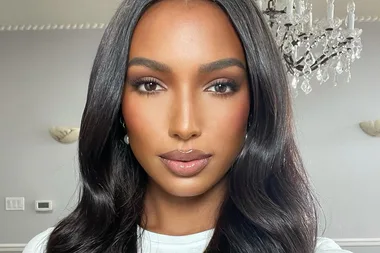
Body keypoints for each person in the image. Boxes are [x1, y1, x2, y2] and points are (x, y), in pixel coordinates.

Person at [23, 0, 353, 252]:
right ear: (117, 107)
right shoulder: (48, 249)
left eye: (221, 86)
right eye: (150, 85)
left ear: (256, 106)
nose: (184, 126)